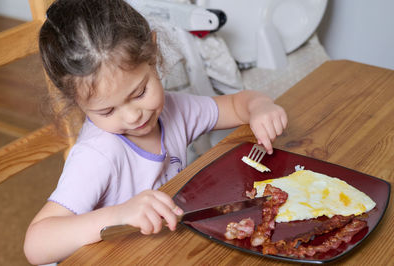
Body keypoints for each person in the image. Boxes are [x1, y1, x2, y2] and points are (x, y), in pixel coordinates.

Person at [23, 0, 287, 264]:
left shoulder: (173, 110)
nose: (133, 115)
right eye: (107, 111)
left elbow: (236, 105)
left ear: (153, 51)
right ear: (77, 101)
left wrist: (259, 106)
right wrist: (118, 215)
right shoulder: (96, 155)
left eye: (139, 93)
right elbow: (36, 244)